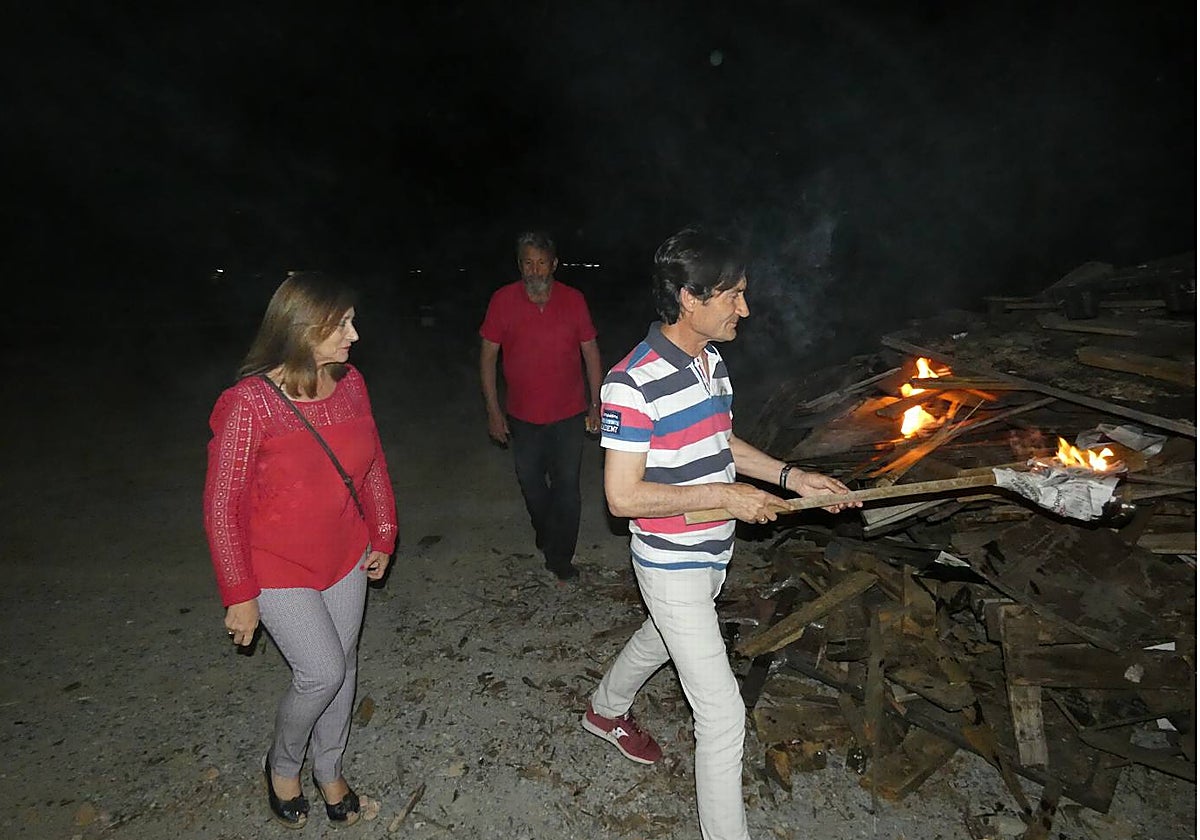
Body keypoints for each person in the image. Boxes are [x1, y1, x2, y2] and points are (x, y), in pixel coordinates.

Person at [580, 228, 859, 840]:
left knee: (661, 636)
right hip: (670, 559)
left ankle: (603, 711)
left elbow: (721, 441)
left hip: (712, 551)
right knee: (724, 716)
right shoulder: (631, 383)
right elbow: (621, 497)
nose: (745, 309)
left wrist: (792, 477)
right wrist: (725, 496)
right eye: (733, 295)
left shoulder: (710, 361)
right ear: (689, 297)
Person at [203, 271, 396, 830]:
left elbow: (372, 465)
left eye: (352, 321)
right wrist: (239, 593)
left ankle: (329, 769)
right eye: (342, 325)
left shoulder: (351, 385)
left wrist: (383, 531)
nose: (354, 335)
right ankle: (282, 766)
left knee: (345, 664)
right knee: (321, 671)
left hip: (345, 554)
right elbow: (222, 505)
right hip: (276, 565)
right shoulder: (250, 403)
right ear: (302, 329)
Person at [479, 230, 603, 581]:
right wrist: (493, 410)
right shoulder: (503, 300)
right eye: (528, 263)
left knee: (567, 488)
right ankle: (547, 529)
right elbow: (487, 357)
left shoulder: (573, 300)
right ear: (520, 265)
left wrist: (596, 403)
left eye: (542, 263)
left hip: (569, 413)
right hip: (522, 415)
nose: (535, 270)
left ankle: (560, 558)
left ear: (554, 264)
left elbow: (590, 351)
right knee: (531, 484)